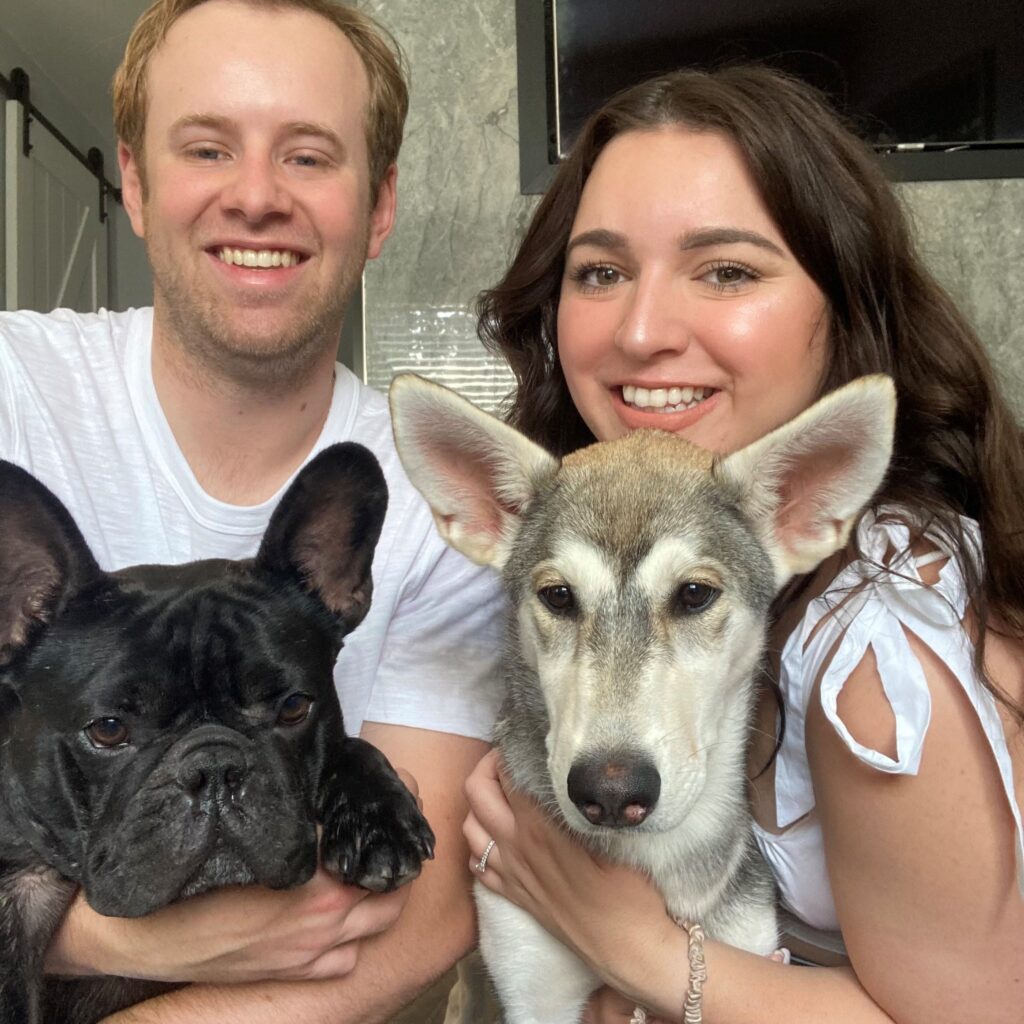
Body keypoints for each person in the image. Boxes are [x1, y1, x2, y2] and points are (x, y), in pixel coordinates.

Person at [461, 66, 1024, 1023]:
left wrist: (625, 942)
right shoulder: (594, 516)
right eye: (600, 271)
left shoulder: (881, 640)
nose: (642, 331)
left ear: (843, 301)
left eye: (726, 269)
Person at [0, 1, 505, 1021]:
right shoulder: (13, 386)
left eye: (310, 156)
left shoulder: (441, 502)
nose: (258, 196)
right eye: (208, 146)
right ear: (134, 182)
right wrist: (91, 932)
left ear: (379, 204)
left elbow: (419, 915)